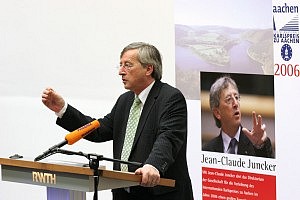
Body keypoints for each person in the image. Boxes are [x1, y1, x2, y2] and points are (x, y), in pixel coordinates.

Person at [41, 42, 193, 200]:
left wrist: (153, 164)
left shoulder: (170, 98)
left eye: (128, 65)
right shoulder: (125, 100)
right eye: (120, 65)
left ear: (149, 69)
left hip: (159, 194)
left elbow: (169, 137)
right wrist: (62, 109)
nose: (121, 72)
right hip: (124, 193)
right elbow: (99, 130)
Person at [202, 75, 273, 158]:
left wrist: (260, 146)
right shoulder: (207, 150)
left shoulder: (256, 144)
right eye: (229, 99)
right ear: (217, 113)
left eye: (236, 97)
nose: (235, 104)